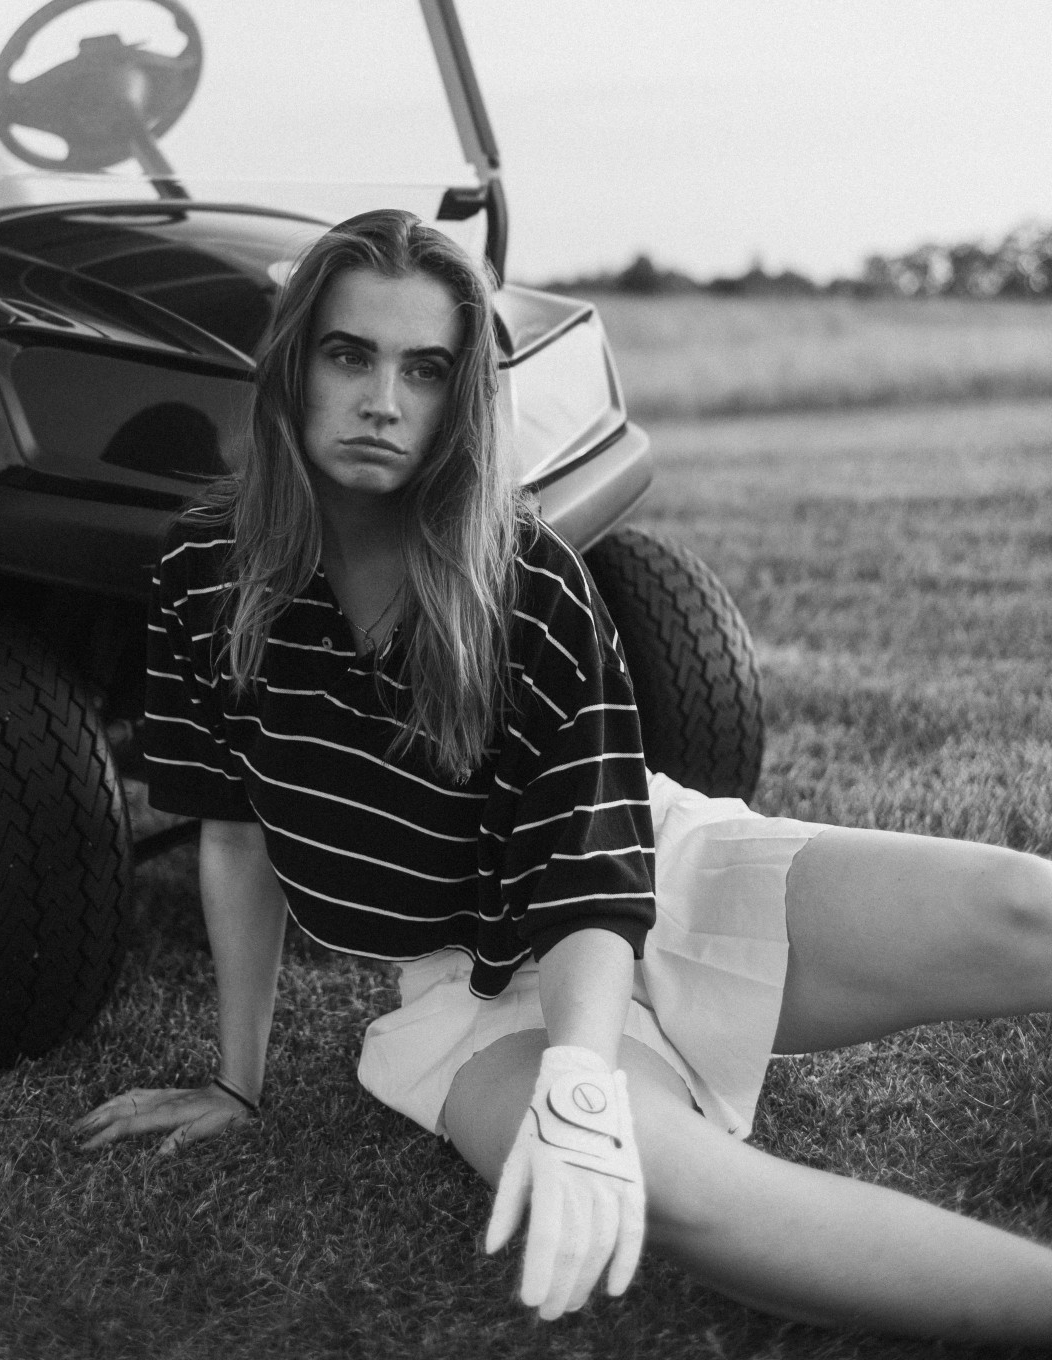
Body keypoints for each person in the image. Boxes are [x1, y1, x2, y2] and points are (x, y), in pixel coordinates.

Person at [75, 209, 1052, 1342]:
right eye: (349, 355)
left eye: (424, 369)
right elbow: (236, 832)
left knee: (1021, 903)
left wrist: (580, 1070)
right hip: (471, 992)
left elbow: (592, 866)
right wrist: (237, 1082)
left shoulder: (526, 575)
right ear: (293, 364)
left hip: (647, 870)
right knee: (661, 1185)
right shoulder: (203, 571)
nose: (383, 399)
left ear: (462, 397)